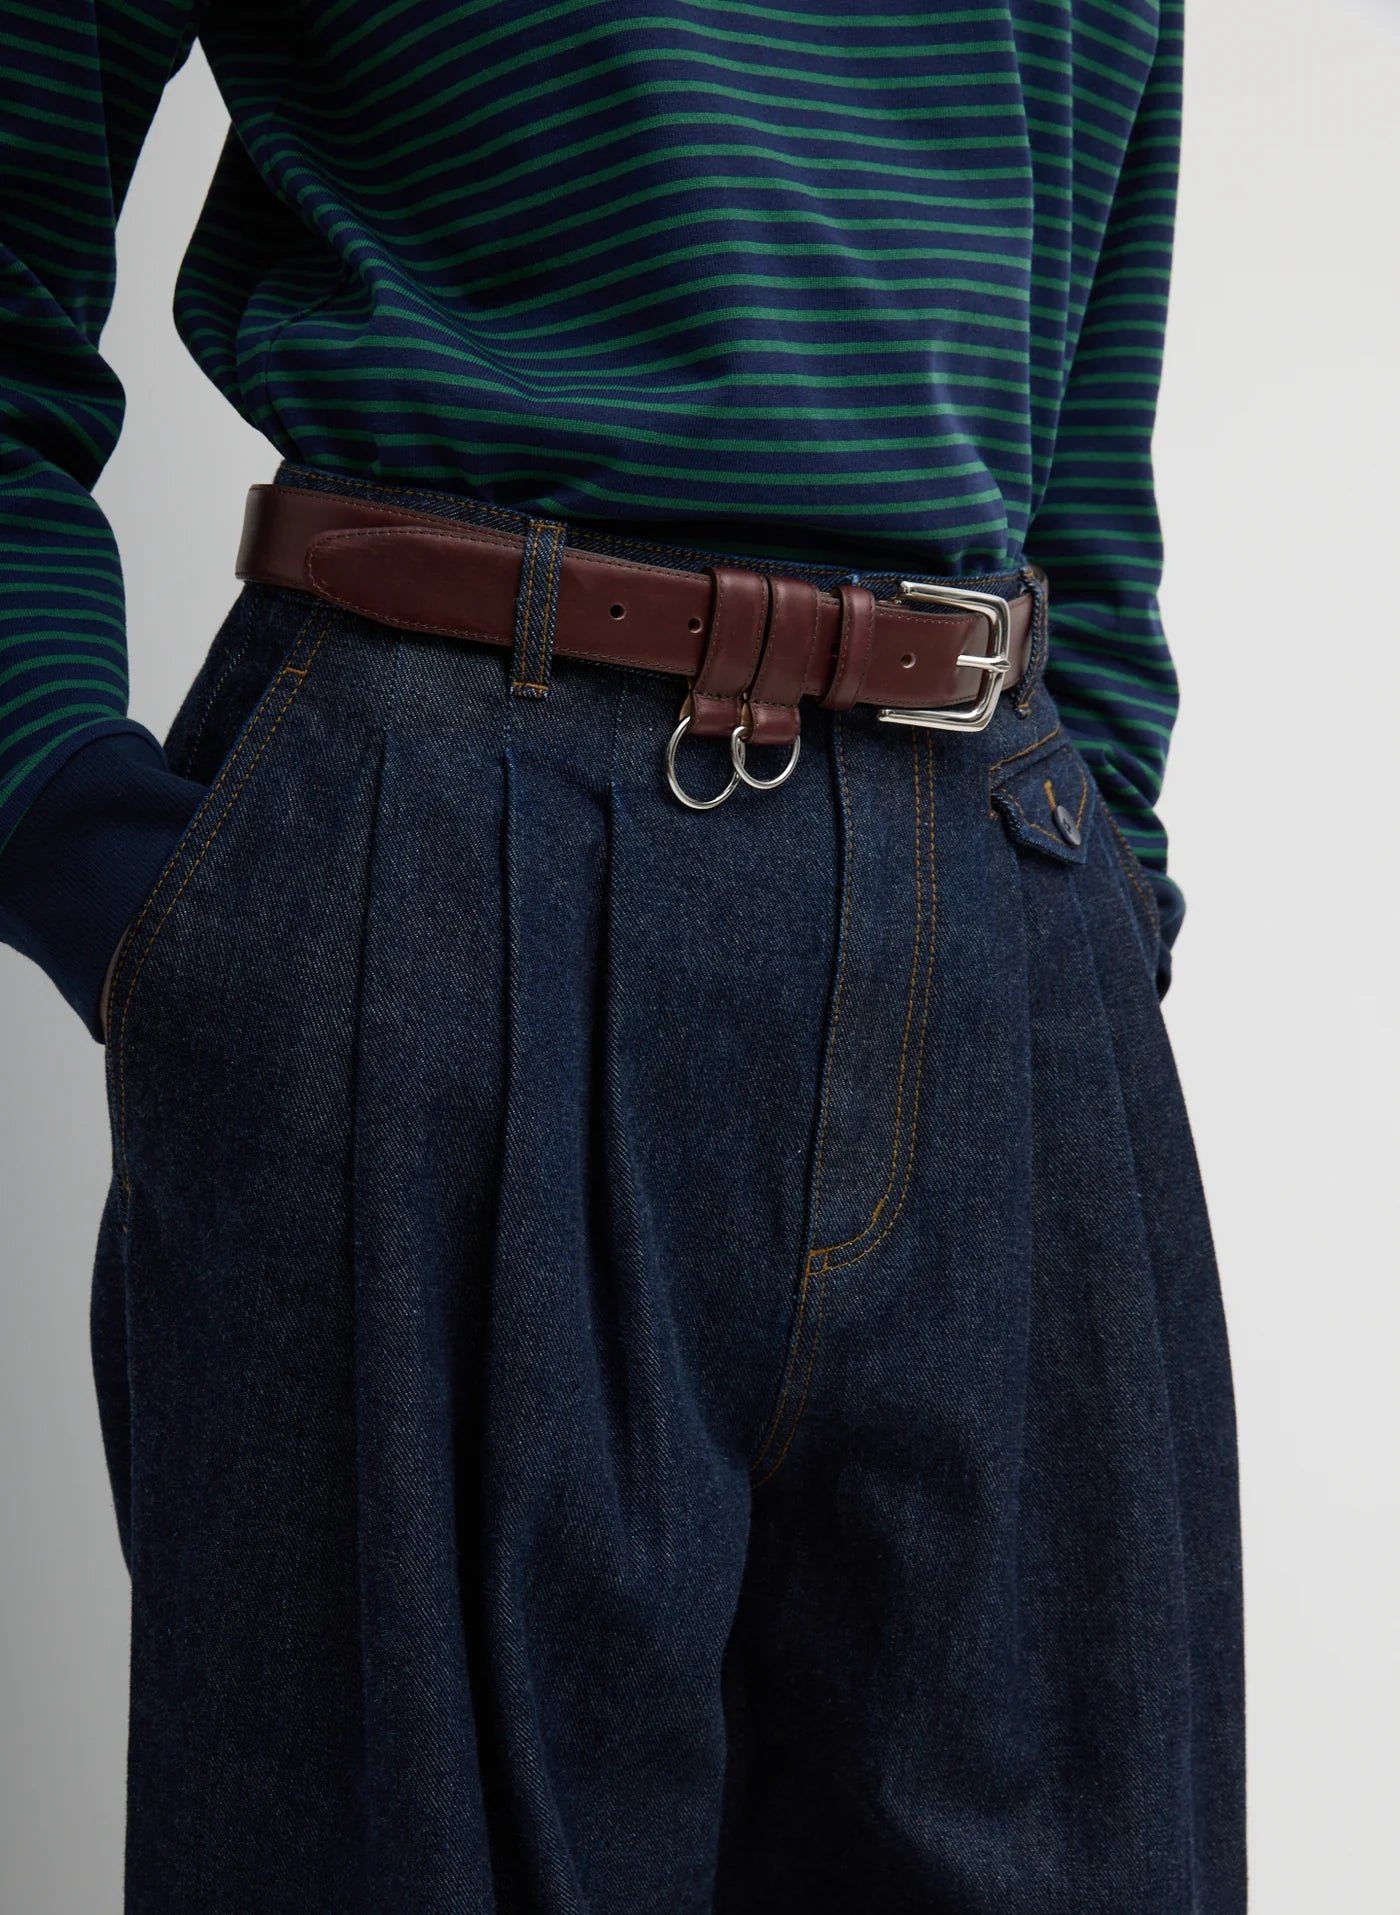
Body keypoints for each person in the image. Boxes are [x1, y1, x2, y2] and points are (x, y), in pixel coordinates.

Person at [0, 3, 1244, 1910]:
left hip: (1001, 901)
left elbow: (1082, 358)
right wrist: (102, 857)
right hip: (439, 859)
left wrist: (1107, 875)